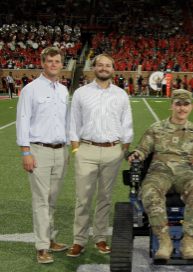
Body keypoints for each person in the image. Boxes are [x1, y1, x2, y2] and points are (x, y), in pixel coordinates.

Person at [127, 90, 193, 260]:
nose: (182, 108)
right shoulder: (156, 128)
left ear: (191, 106)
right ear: (172, 105)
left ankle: (188, 243)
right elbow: (143, 148)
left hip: (186, 174)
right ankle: (164, 242)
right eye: (178, 104)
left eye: (185, 104)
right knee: (150, 189)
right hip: (160, 173)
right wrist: (136, 155)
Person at [68, 54, 133, 257]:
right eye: (100, 65)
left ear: (113, 70)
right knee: (83, 198)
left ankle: (100, 238)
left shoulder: (121, 94)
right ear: (93, 68)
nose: (104, 68)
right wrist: (76, 149)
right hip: (86, 149)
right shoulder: (81, 93)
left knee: (105, 198)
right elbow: (73, 123)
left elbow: (127, 124)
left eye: (108, 66)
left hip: (113, 150)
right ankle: (79, 240)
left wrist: (123, 149)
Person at [16, 47, 70, 264]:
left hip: (60, 151)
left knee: (52, 199)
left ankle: (49, 237)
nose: (54, 64)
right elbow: (22, 121)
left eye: (57, 61)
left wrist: (66, 148)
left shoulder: (64, 90)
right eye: (50, 61)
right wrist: (26, 152)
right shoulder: (31, 89)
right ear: (43, 63)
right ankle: (41, 247)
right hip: (38, 150)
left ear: (61, 64)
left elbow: (65, 122)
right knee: (41, 200)